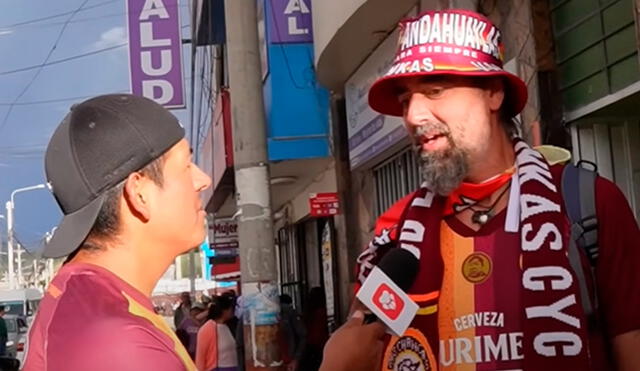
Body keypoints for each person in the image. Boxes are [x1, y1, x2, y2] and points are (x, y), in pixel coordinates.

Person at [322, 9, 640, 371]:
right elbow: (362, 341)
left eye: (434, 91)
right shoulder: (396, 232)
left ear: (493, 93)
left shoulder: (588, 206)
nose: (412, 116)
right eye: (405, 100)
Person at [21, 94, 211, 371]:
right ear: (140, 193)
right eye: (186, 166)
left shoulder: (86, 300)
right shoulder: (120, 344)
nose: (203, 180)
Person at [196, 295, 239, 371]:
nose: (233, 311)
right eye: (231, 308)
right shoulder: (207, 329)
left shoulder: (230, 325)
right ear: (224, 310)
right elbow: (200, 357)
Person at [279, 294, 306, 371]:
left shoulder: (288, 311)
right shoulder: (256, 314)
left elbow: (303, 336)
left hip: (288, 361)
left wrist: (296, 359)